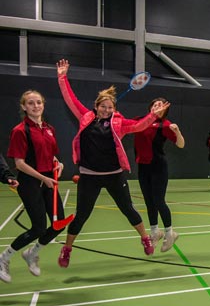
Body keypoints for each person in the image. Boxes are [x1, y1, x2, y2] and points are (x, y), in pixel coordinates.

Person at [56, 59, 170, 268]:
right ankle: (67, 249)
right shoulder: (85, 117)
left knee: (128, 209)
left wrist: (153, 114)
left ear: (114, 109)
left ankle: (145, 237)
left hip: (114, 174)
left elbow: (139, 126)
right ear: (96, 106)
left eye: (110, 107)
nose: (107, 110)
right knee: (82, 215)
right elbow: (70, 99)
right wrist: (62, 76)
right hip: (89, 175)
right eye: (103, 106)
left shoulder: (119, 123)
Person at [0, 90, 65, 283]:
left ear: (43, 104)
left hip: (48, 181)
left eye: (38, 102)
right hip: (30, 183)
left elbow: (50, 154)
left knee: (58, 223)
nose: (35, 106)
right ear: (23, 106)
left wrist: (58, 163)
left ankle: (32, 253)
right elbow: (19, 163)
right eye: (30, 103)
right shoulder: (20, 130)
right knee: (38, 228)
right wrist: (42, 178)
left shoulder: (48, 128)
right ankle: (4, 259)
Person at [134, 97, 185, 252]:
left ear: (164, 110)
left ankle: (170, 233)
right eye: (155, 104)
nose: (157, 106)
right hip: (143, 167)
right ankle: (155, 231)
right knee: (149, 201)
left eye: (160, 105)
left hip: (158, 167)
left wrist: (177, 131)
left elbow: (181, 144)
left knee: (158, 201)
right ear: (150, 107)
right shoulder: (140, 120)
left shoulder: (165, 125)